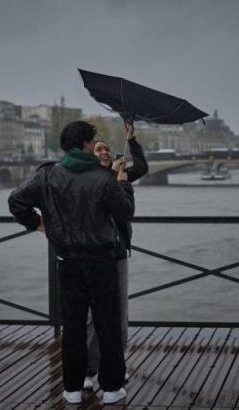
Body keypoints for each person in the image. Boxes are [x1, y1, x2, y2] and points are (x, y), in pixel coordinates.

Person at [8, 120, 133, 405]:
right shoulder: (103, 179)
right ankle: (112, 388)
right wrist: (122, 183)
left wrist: (38, 223)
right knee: (107, 325)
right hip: (101, 262)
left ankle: (72, 389)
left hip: (67, 262)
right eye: (93, 140)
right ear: (86, 144)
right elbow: (124, 213)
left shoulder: (48, 176)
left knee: (73, 327)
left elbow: (16, 201)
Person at [85, 122, 148, 389]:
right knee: (91, 315)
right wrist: (117, 180)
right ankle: (89, 369)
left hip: (118, 252)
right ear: (90, 155)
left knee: (120, 313)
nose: (105, 152)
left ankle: (116, 365)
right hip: (94, 252)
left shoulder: (119, 174)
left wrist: (131, 140)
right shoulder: (88, 178)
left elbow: (143, 168)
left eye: (108, 148)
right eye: (98, 149)